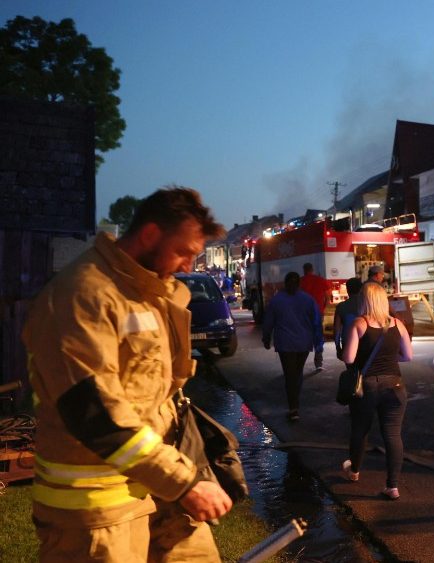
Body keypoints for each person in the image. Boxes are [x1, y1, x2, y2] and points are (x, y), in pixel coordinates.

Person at [22, 186, 232, 562]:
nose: (188, 266)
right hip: (96, 517)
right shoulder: (82, 295)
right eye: (184, 252)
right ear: (150, 234)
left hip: (158, 493)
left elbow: (155, 395)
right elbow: (96, 415)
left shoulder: (145, 293)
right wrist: (183, 482)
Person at [341, 283, 413, 500]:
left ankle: (354, 470)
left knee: (360, 429)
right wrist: (391, 359)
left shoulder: (359, 324)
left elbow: (349, 358)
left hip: (368, 387)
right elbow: (407, 356)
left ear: (364, 300)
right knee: (392, 434)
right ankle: (392, 486)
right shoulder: (398, 324)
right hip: (395, 385)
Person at [261, 271, 324, 422]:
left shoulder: (277, 300)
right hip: (303, 343)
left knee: (290, 374)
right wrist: (318, 345)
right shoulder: (308, 300)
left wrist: (266, 338)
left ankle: (293, 407)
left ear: (285, 282)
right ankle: (295, 402)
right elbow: (316, 323)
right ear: (299, 284)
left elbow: (268, 321)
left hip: (285, 344)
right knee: (297, 372)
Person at [300, 262, 332, 368]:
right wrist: (324, 308)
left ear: (304, 270)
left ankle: (300, 362)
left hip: (304, 314)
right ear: (312, 269)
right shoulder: (321, 280)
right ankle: (318, 362)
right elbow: (328, 297)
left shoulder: (300, 281)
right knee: (318, 336)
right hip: (318, 312)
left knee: (304, 336)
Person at [333, 277, 364, 360]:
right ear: (361, 289)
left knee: (351, 370)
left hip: (348, 343)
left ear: (347, 290)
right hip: (366, 343)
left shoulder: (341, 306)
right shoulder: (368, 304)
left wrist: (338, 348)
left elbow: (337, 330)